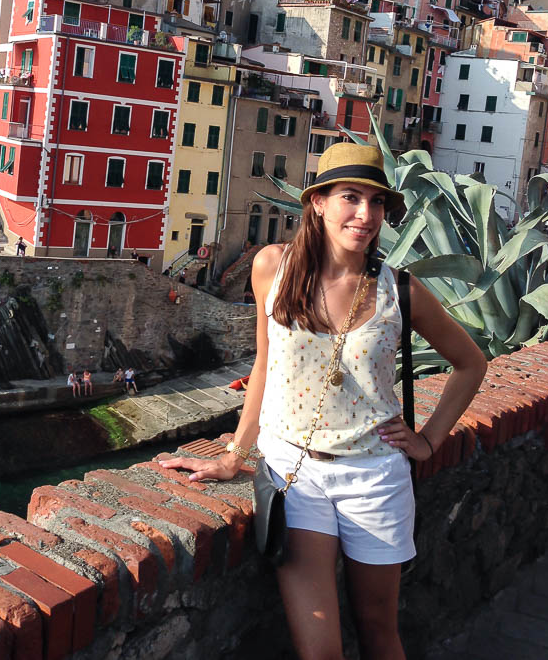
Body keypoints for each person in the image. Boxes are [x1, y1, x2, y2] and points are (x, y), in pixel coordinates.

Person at [160, 142, 487, 660]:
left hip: (376, 478)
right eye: (350, 197)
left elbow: (471, 363)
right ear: (318, 202)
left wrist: (428, 440)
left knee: (379, 633)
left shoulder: (399, 290)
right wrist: (233, 457)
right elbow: (265, 367)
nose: (365, 215)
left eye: (376, 202)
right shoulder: (273, 267)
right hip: (297, 476)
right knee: (321, 652)